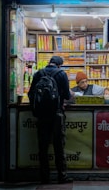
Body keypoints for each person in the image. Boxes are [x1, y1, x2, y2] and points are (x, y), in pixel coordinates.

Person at [28, 56, 73, 184]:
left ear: (49, 63)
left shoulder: (38, 73)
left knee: (43, 147)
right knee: (59, 146)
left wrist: (36, 111)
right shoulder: (61, 74)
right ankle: (62, 176)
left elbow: (31, 94)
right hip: (56, 114)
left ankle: (44, 177)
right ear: (59, 65)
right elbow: (67, 96)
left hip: (42, 116)